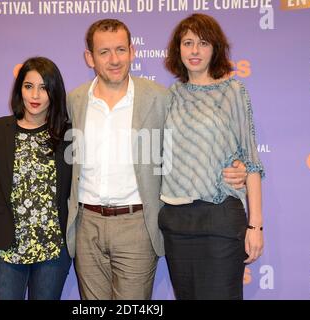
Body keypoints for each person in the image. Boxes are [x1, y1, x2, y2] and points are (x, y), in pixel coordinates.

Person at [65, 19, 248, 300]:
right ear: (89, 57)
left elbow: (194, 139)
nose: (114, 60)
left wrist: (237, 165)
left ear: (132, 51)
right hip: (86, 224)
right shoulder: (74, 101)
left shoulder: (161, 98)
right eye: (104, 52)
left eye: (121, 50)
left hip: (136, 225)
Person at [159, 13, 265, 300]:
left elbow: (252, 163)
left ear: (215, 48)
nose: (194, 51)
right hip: (177, 222)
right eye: (188, 43)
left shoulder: (233, 92)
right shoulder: (171, 96)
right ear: (177, 49)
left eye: (203, 43)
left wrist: (255, 226)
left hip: (220, 218)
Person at [0, 57, 72, 300]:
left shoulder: (68, 135)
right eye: (28, 86)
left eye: (44, 88)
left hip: (53, 250)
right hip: (5, 250)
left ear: (54, 93)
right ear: (19, 89)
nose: (35, 95)